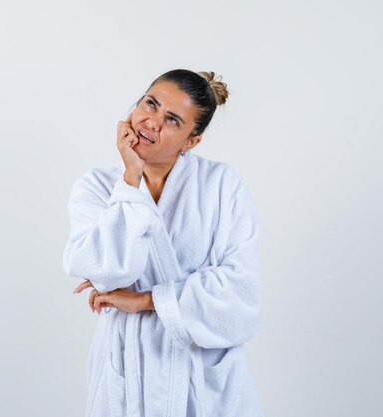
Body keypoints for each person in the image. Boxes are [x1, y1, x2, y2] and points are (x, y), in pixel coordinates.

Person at [62, 69, 264, 417]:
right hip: (128, 369)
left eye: (172, 120)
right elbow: (106, 270)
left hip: (204, 378)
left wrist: (146, 300)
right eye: (150, 104)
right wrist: (130, 179)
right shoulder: (95, 187)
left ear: (191, 141)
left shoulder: (222, 186)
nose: (151, 122)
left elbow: (241, 296)